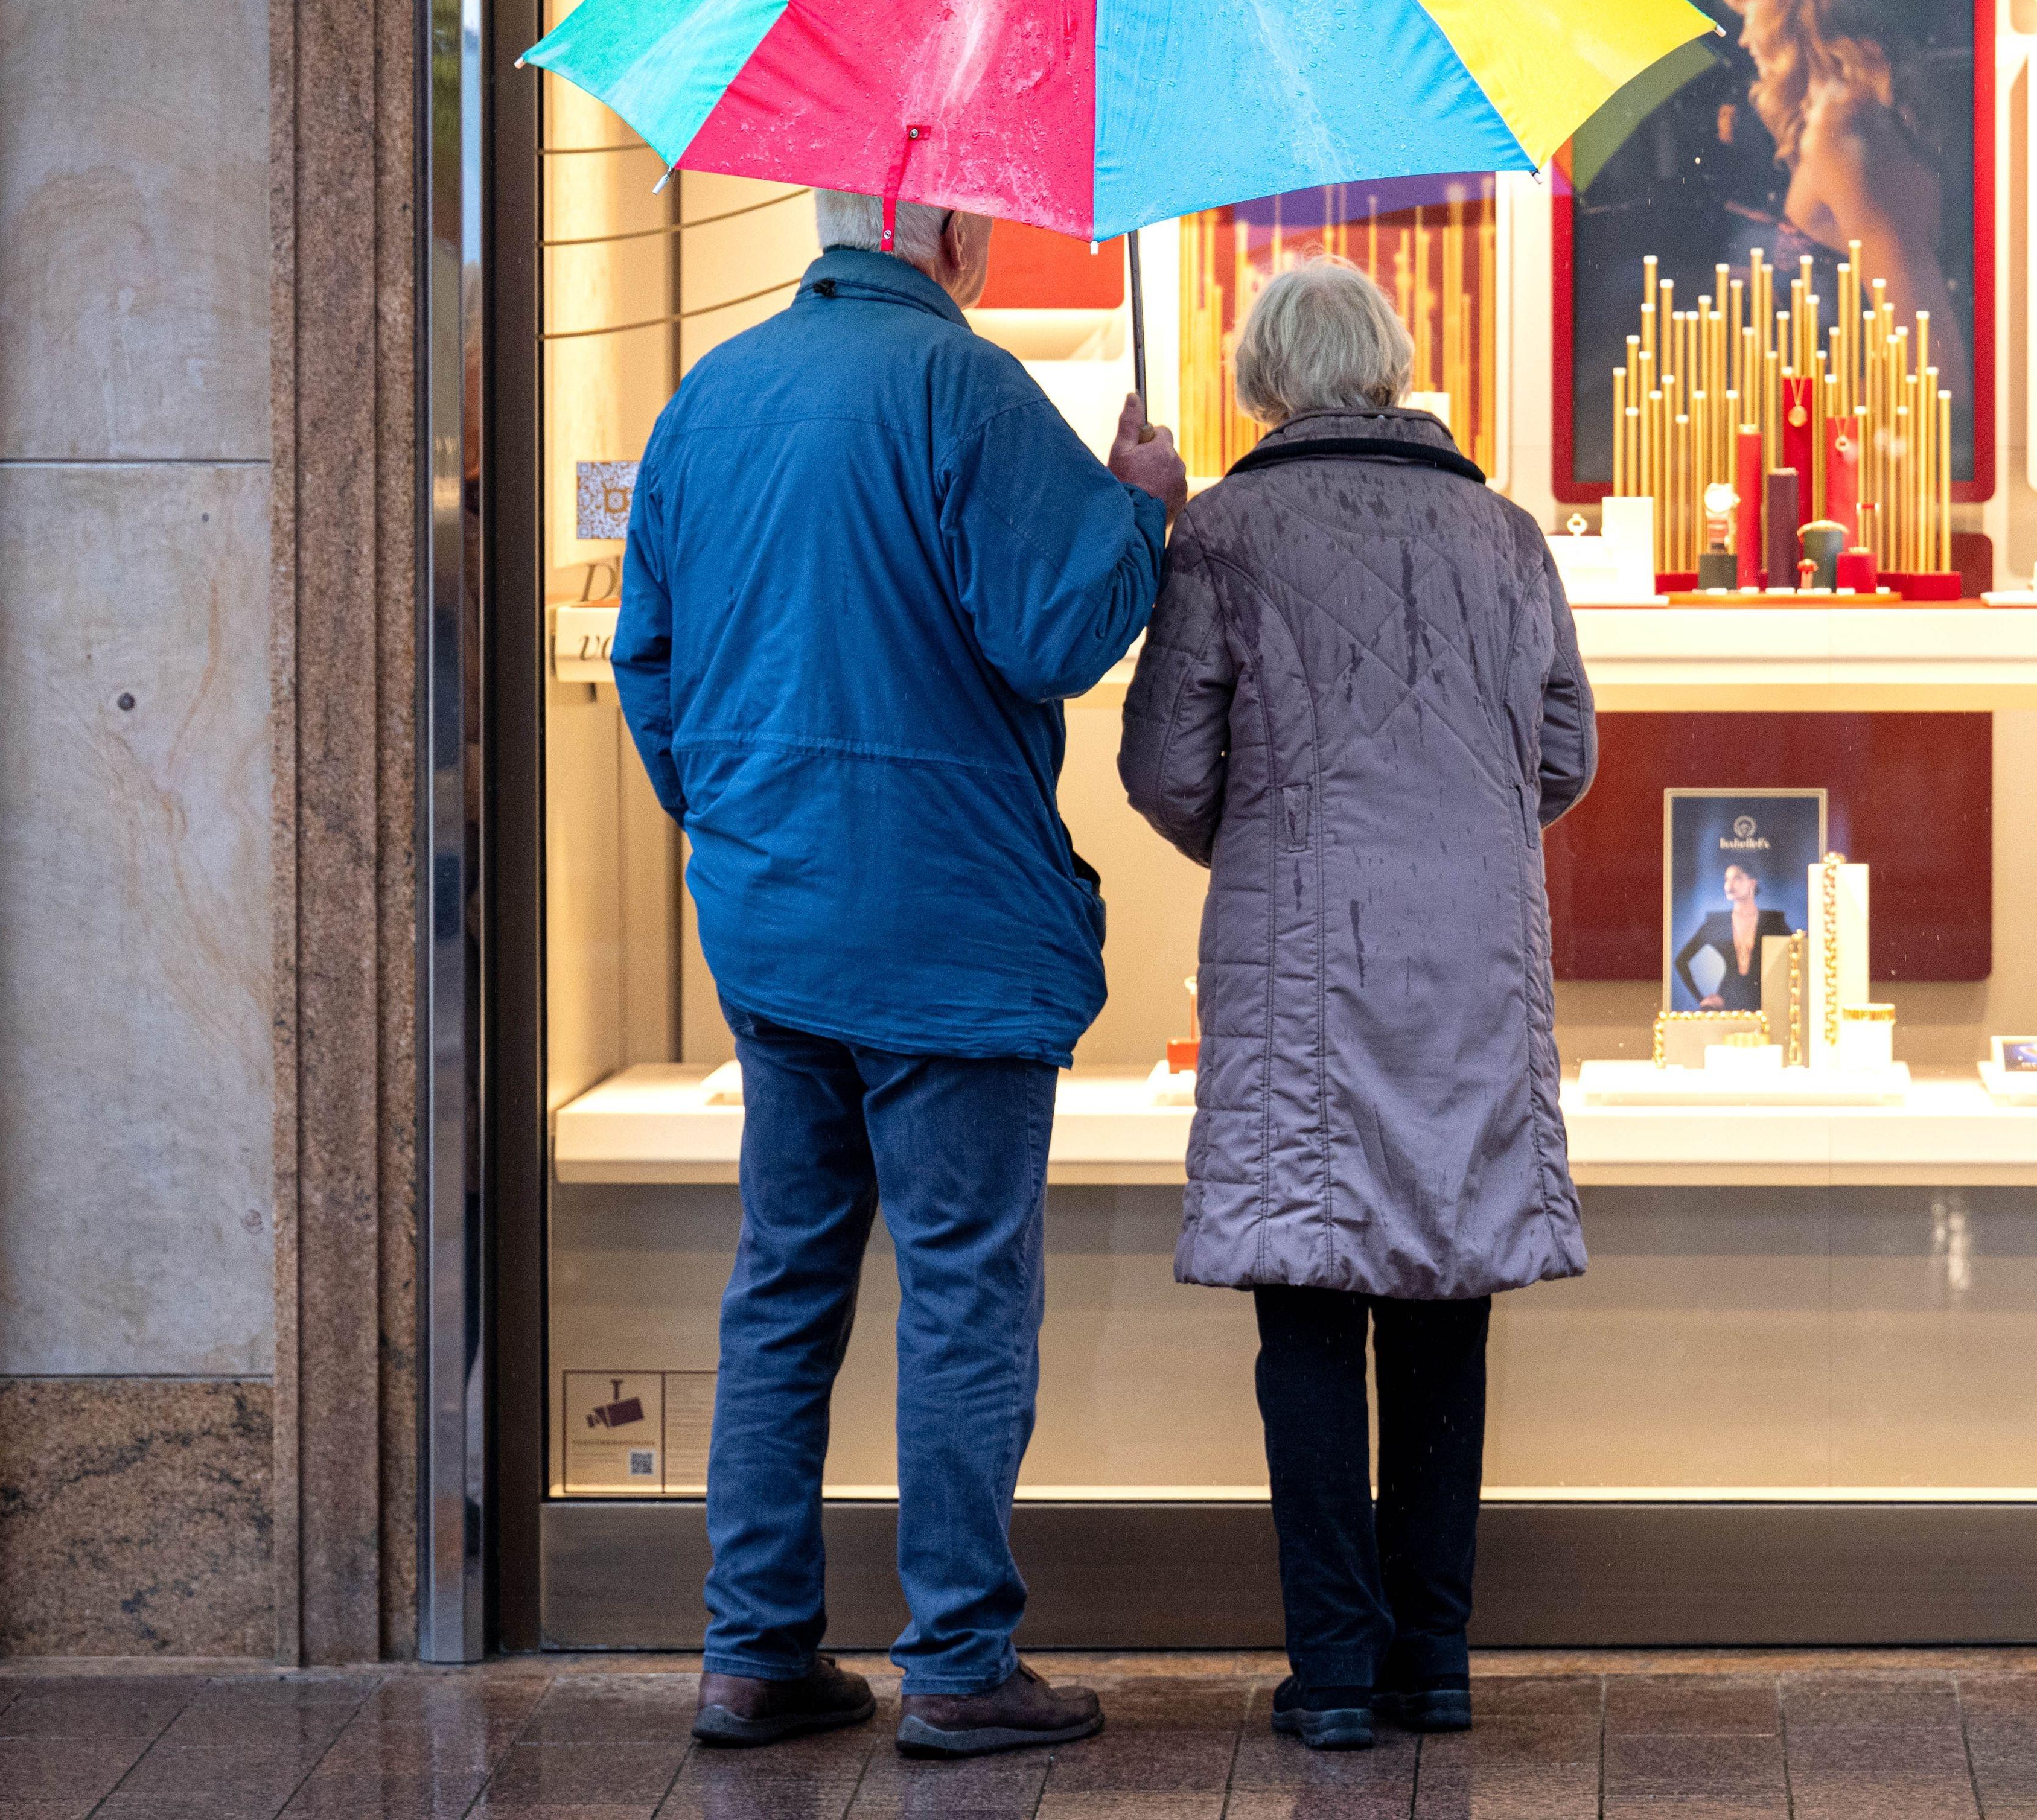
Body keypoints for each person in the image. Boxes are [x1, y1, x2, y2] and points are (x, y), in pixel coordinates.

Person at [613, 189, 1187, 1762]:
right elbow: (1059, 629)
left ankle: (753, 1654)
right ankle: (957, 1660)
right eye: (984, 219)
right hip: (949, 931)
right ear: (944, 227)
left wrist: (744, 833)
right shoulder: (967, 390)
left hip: (775, 925)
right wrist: (1141, 504)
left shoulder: (706, 399)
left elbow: (646, 670)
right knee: (962, 1287)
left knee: (786, 1284)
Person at [1118, 256, 1594, 1754]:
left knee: (1310, 1309)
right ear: (1391, 367)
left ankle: (1333, 1673)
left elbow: (1162, 767)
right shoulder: (1506, 533)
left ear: (1263, 379)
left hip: (1296, 967)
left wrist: (1267, 844)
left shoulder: (1223, 533)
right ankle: (1433, 1663)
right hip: (1471, 962)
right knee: (1444, 1308)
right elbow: (1564, 752)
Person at [1718, 0, 1957, 340]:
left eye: (1749, 11)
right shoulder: (1846, 119)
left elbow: (1933, 364)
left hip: (1839, 407)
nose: (1744, 37)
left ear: (1786, 12)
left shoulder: (1843, 131)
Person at [1669, 859, 1790, 1011]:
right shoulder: (1716, 922)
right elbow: (1681, 961)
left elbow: (1796, 954)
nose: (1730, 885)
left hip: (1765, 1002)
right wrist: (1701, 999)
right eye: (1727, 879)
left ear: (1752, 883)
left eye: (1738, 877)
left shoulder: (1773, 920)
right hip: (1726, 1002)